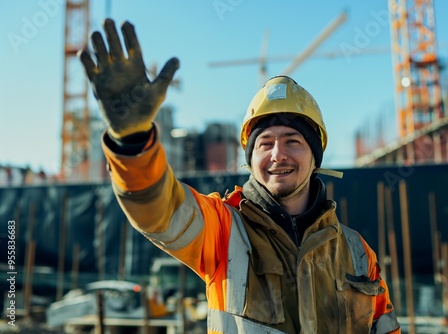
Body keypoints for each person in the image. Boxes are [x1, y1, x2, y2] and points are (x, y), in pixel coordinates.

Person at [79, 18, 401, 334]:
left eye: (293, 141)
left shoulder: (356, 251)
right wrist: (132, 142)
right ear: (251, 157)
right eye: (265, 143)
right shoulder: (223, 231)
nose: (278, 154)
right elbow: (159, 212)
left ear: (315, 157)